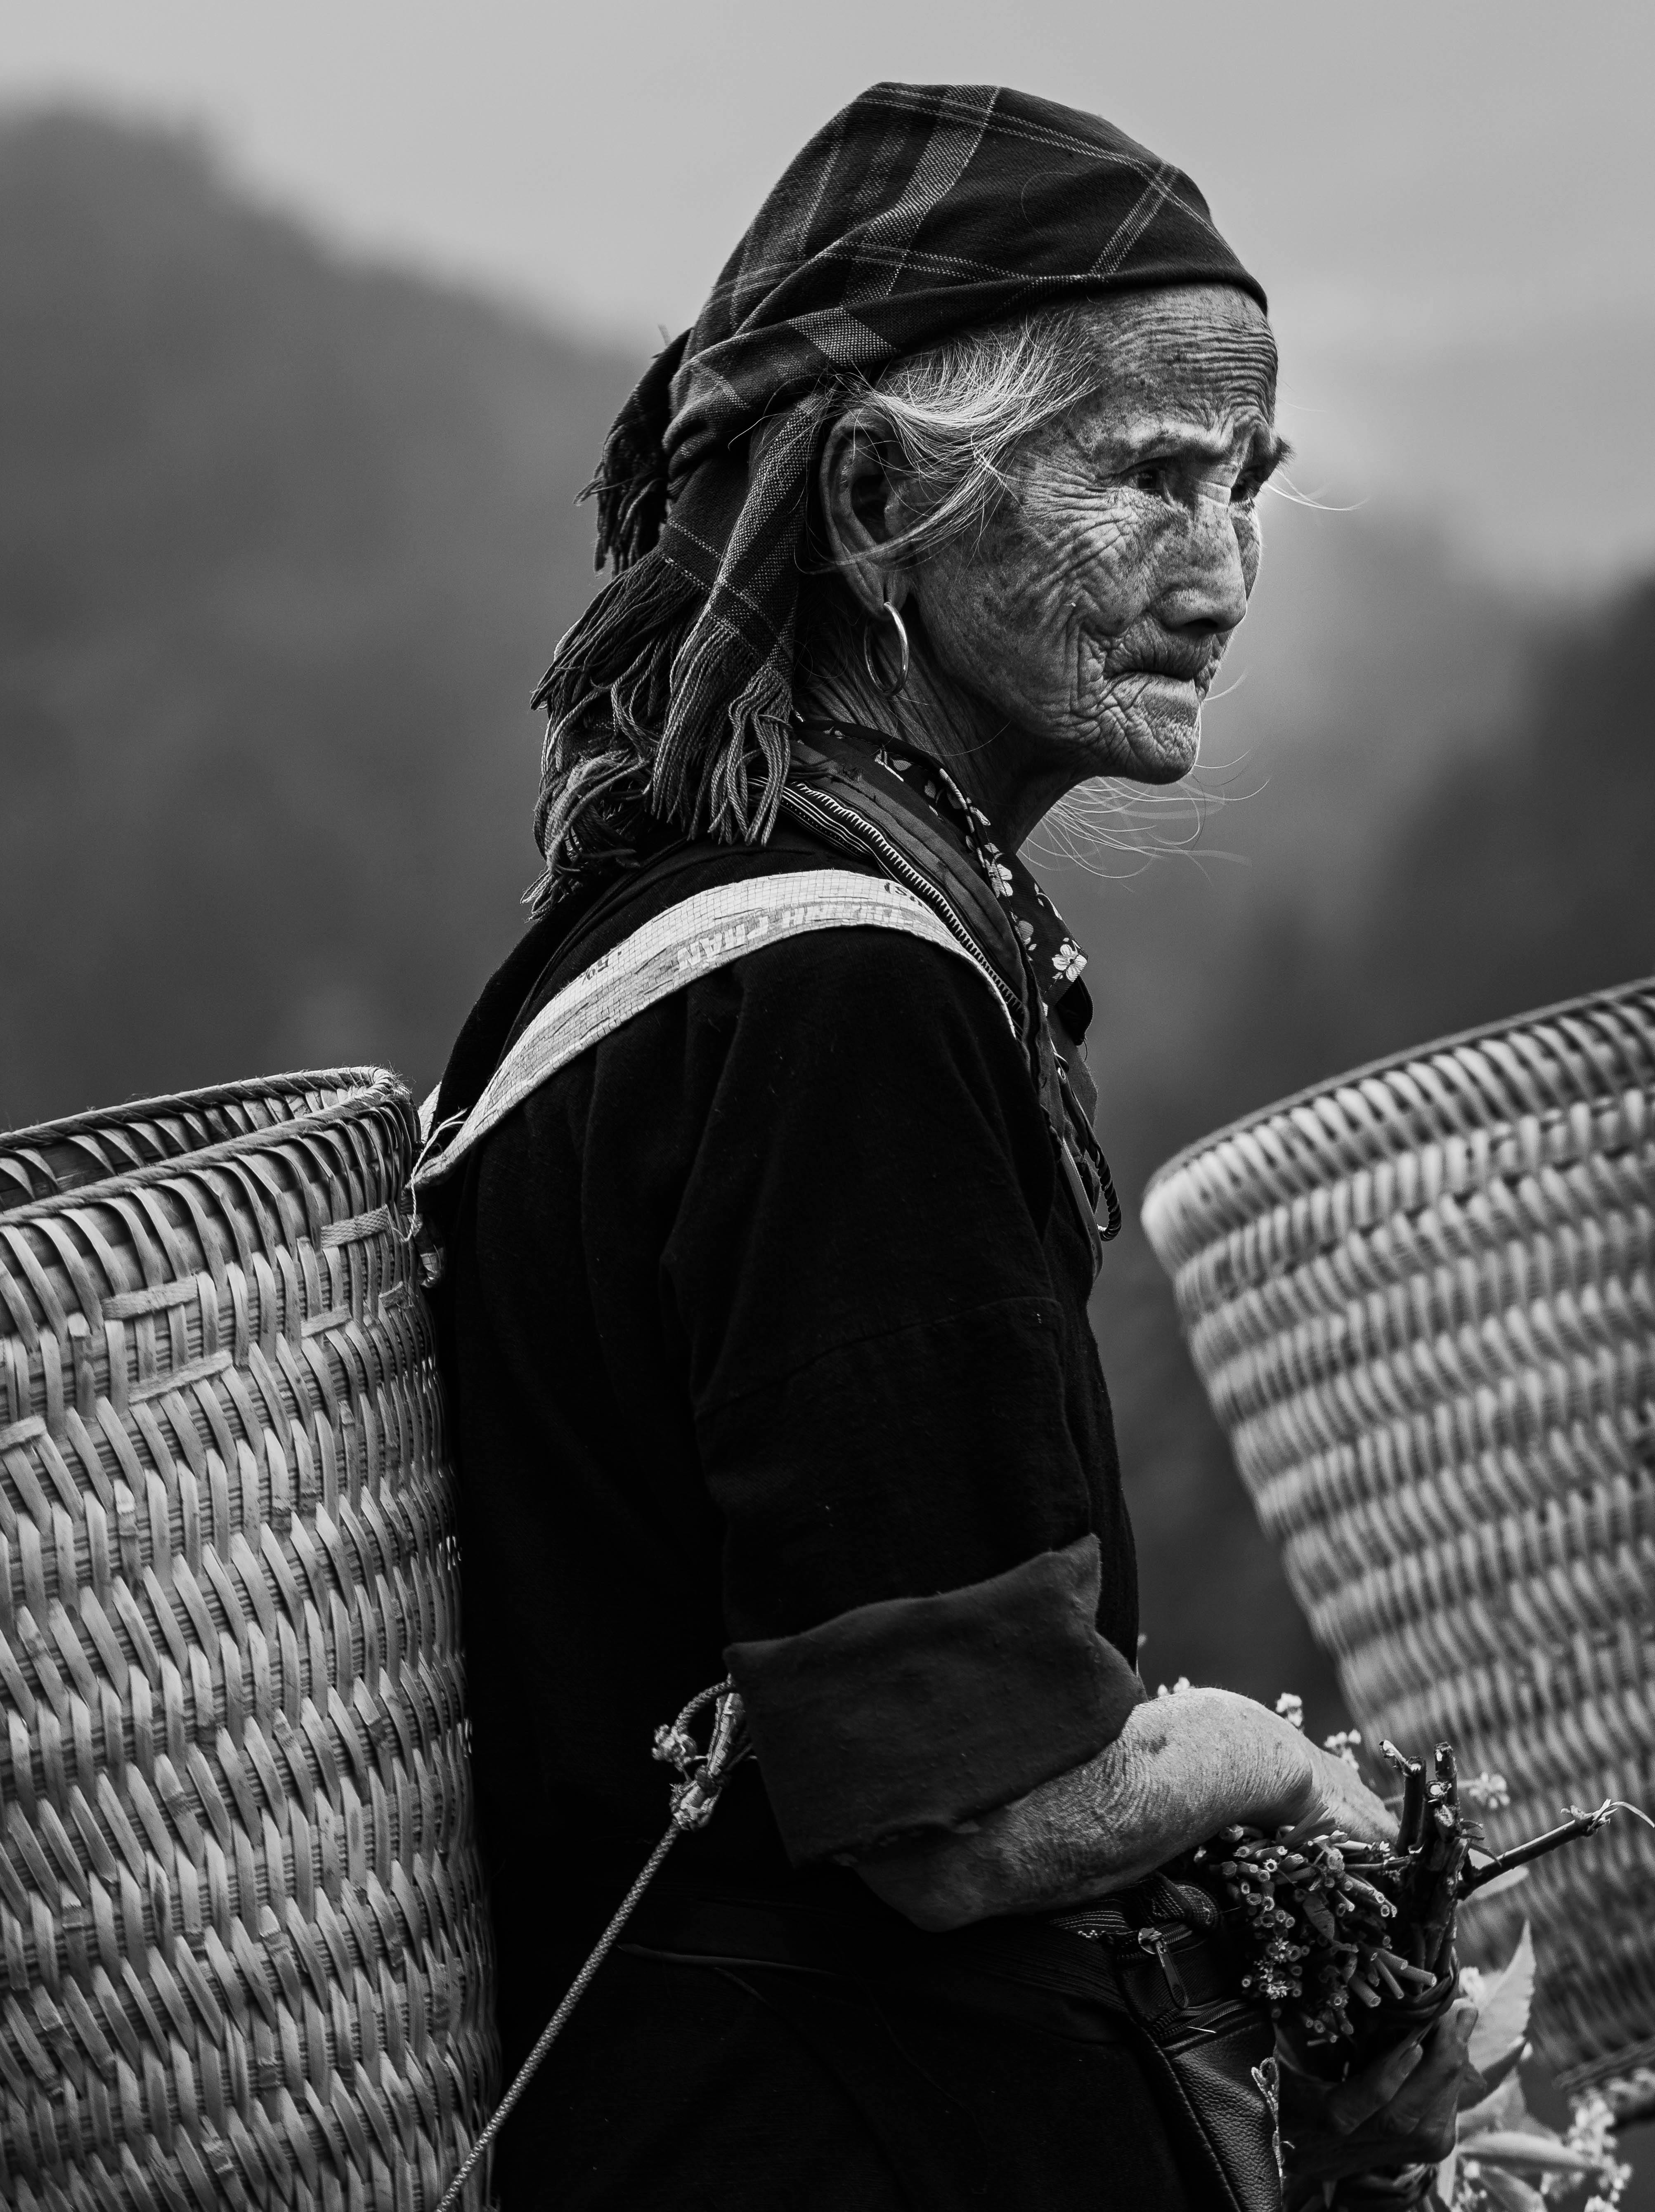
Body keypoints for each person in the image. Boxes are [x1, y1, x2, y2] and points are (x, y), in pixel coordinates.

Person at [424, 82, 1479, 2212]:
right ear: (889, 498)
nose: (1227, 567)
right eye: (1154, 477)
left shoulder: (665, 946)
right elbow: (959, 1807)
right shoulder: (840, 995)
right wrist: (1282, 1769)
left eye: (1251, 484)